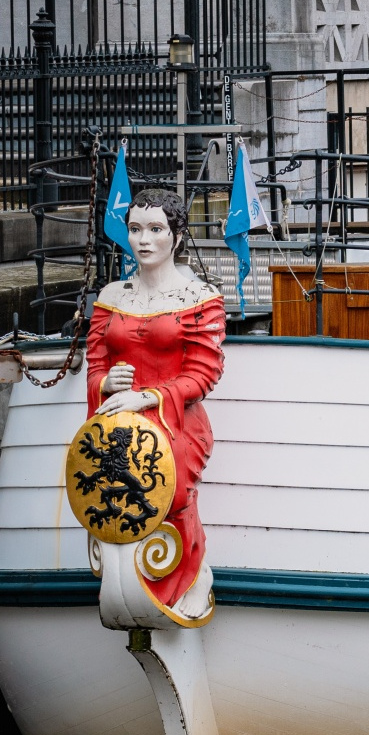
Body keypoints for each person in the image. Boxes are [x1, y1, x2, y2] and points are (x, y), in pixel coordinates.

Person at [87, 187, 225, 616]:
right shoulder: (112, 296)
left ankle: (187, 576)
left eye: (155, 229)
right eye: (135, 229)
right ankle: (128, 579)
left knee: (170, 489)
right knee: (106, 489)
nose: (143, 240)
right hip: (117, 421)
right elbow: (95, 363)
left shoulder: (199, 298)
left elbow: (203, 373)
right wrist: (106, 383)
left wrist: (145, 397)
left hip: (175, 422)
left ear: (176, 236)